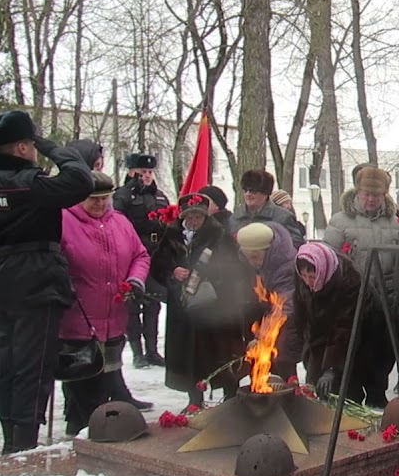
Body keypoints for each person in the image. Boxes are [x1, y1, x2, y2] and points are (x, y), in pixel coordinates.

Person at [0, 110, 94, 454]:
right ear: (24, 146)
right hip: (37, 282)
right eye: (33, 144)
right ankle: (23, 445)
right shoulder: (31, 184)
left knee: (7, 362)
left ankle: (10, 435)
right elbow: (82, 180)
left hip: (1, 282)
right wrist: (52, 146)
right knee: (35, 364)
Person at [59, 172, 152, 435]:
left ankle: (100, 427)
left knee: (108, 374)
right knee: (82, 378)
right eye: (93, 199)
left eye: (105, 198)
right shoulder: (63, 221)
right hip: (79, 318)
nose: (100, 205)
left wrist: (135, 280)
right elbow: (53, 261)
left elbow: (140, 255)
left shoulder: (120, 222)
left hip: (114, 316)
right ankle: (80, 427)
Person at [151, 193, 252, 407]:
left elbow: (233, 267)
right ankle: (194, 398)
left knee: (221, 352)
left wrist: (208, 276)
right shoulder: (171, 236)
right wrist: (172, 271)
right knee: (189, 354)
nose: (194, 221)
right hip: (184, 307)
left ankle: (230, 396)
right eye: (190, 216)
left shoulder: (219, 236)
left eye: (199, 216)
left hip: (215, 306)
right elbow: (156, 265)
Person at [324, 165, 399, 405]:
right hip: (352, 303)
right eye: (366, 194)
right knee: (353, 356)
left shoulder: (395, 223)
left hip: (384, 300)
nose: (371, 199)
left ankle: (378, 397)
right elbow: (329, 260)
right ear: (357, 192)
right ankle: (352, 401)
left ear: (384, 195)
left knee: (381, 356)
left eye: (376, 195)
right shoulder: (340, 222)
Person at [293, 241, 379, 408]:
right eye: (303, 276)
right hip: (324, 333)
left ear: (323, 270)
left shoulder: (350, 282)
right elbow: (301, 316)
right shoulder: (301, 275)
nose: (308, 282)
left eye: (312, 277)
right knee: (318, 385)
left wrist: (332, 368)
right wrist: (307, 356)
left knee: (347, 388)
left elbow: (345, 329)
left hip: (364, 335)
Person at [112, 153, 171, 368]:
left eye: (149, 172)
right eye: (141, 172)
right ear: (131, 172)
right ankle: (137, 352)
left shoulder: (160, 196)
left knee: (154, 305)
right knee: (133, 303)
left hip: (157, 254)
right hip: (133, 253)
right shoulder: (122, 196)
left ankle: (153, 350)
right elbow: (117, 224)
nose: (146, 176)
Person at [236, 222, 300, 381]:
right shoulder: (247, 260)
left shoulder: (285, 266)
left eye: (256, 257)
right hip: (263, 314)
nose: (252, 262)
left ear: (268, 251)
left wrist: (262, 336)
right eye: (248, 257)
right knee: (258, 362)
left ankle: (288, 396)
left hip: (286, 320)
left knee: (282, 360)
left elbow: (284, 306)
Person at [233, 169, 306, 247]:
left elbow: (296, 244)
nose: (248, 194)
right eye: (245, 190)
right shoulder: (236, 217)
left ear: (265, 192)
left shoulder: (283, 217)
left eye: (253, 190)